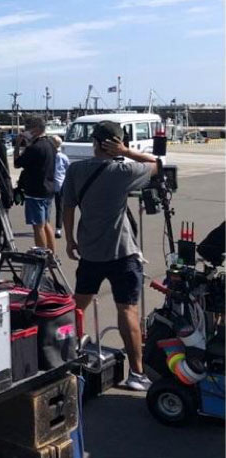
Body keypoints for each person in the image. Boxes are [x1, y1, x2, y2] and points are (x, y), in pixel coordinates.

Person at [63, 120, 159, 392]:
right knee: (127, 310)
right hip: (122, 253)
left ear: (94, 143)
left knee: (77, 306)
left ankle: (67, 358)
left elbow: (68, 207)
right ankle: (137, 374)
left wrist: (70, 239)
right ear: (118, 143)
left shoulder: (76, 169)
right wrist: (127, 152)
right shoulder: (124, 169)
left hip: (90, 252)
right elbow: (156, 163)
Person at [14, 115, 57, 251]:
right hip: (48, 189)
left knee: (38, 226)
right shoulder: (51, 144)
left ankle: (42, 255)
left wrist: (17, 145)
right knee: (46, 224)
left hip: (35, 191)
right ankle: (52, 254)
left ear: (37, 129)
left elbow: (17, 163)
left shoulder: (35, 148)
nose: (26, 131)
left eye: (28, 128)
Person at [51, 135, 70, 239]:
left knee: (51, 207)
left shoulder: (50, 155)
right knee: (60, 208)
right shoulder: (63, 157)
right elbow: (68, 170)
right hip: (60, 184)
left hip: (50, 184)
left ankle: (49, 226)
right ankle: (58, 229)